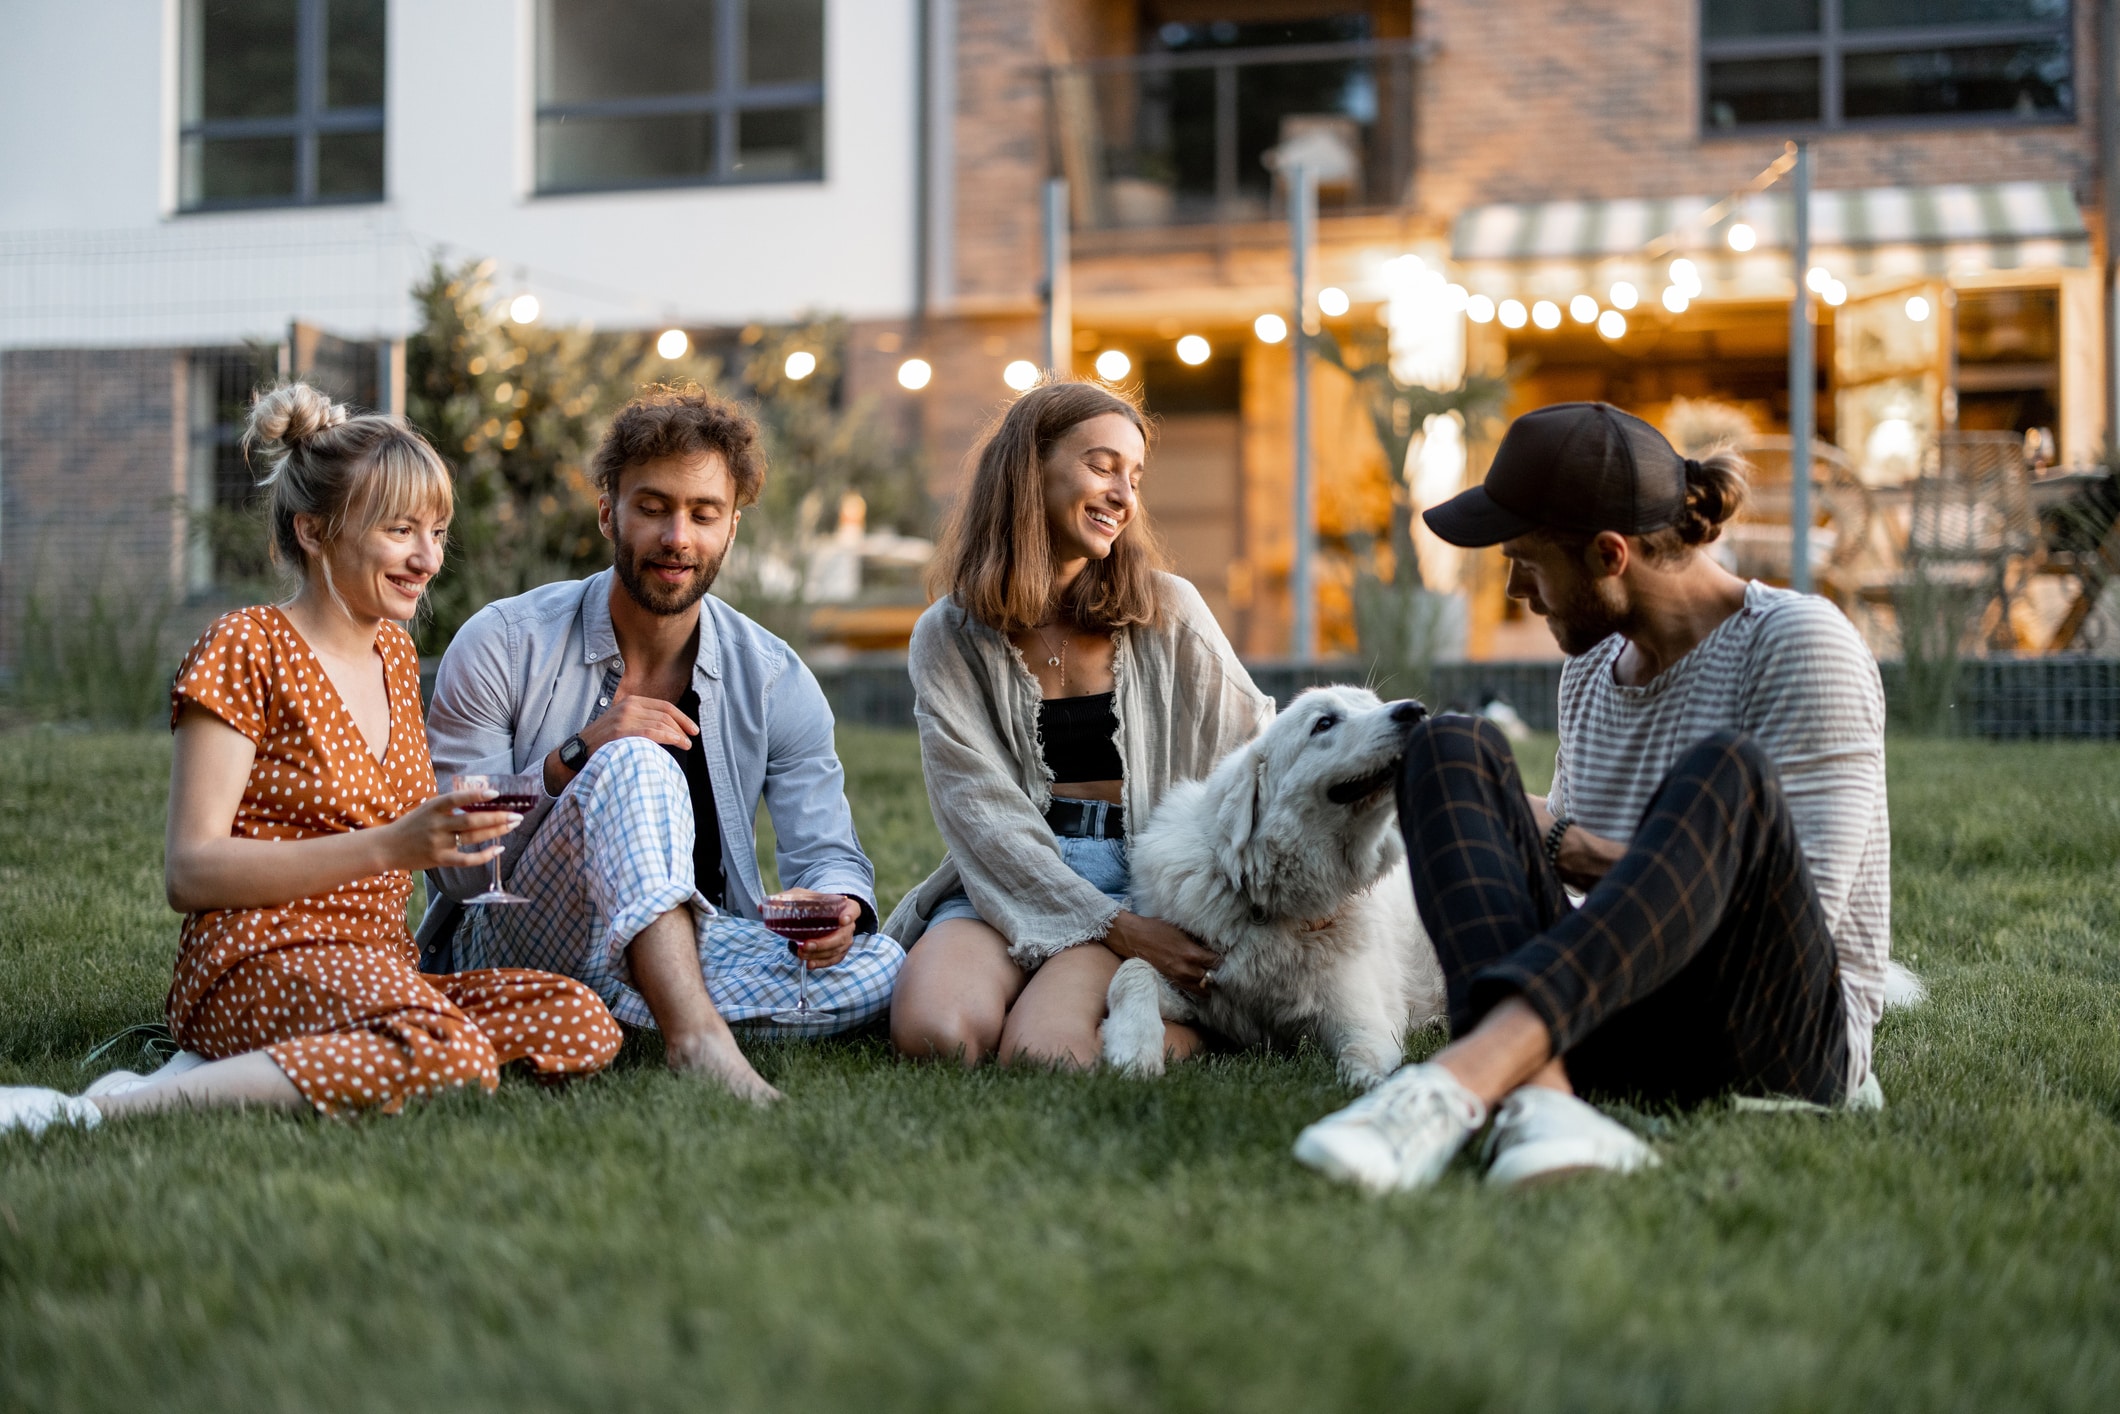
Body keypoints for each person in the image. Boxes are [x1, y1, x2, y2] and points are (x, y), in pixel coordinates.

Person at [1295, 402, 1892, 1191]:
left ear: (1611, 555)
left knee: (1727, 772)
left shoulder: (1798, 644)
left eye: (1529, 563)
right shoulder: (1592, 669)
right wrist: (1520, 834)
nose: (1515, 589)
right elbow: (1589, 891)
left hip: (1773, 1037)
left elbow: (1793, 910)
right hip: (1616, 1018)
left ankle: (1466, 1081)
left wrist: (1560, 841)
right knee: (1448, 745)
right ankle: (1542, 1102)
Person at [0, 384, 623, 1138]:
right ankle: (108, 1107)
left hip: (376, 968)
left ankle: (284, 1064)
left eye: (438, 532)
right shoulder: (247, 646)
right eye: (401, 530)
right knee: (448, 1054)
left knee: (579, 1018)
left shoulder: (395, 655)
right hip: (254, 960)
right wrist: (392, 846)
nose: (428, 558)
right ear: (315, 531)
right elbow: (189, 871)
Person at [420, 385, 901, 1106]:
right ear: (608, 509)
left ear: (732, 527)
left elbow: (826, 851)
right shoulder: (503, 641)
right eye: (653, 507)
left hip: (687, 946)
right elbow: (459, 872)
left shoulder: (773, 677)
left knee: (882, 966)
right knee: (635, 760)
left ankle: (612, 1015)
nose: (678, 537)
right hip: (510, 941)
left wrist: (839, 909)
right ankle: (695, 1038)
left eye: (704, 513)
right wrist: (574, 757)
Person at [886, 380, 1274, 1067]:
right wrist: (1112, 929)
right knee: (935, 1035)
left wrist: (1143, 921)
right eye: (1102, 466)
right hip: (1013, 874)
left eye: (1134, 475)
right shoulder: (947, 634)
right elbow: (980, 813)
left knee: (1046, 1054)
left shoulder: (1169, 609)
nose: (1124, 495)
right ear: (1030, 468)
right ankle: (1054, 981)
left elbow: (1255, 750)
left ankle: (1209, 1030)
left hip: (1144, 876)